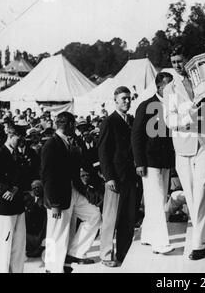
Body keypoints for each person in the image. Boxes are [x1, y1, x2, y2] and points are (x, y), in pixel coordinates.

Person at [163, 44, 205, 260]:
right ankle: (203, 235)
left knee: (204, 191)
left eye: (180, 60)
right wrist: (190, 117)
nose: (177, 66)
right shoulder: (169, 89)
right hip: (184, 147)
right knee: (192, 195)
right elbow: (169, 120)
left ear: (188, 59)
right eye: (174, 61)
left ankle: (198, 243)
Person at [41, 112, 101, 273]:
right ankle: (52, 268)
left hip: (73, 191)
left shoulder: (70, 142)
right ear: (68, 125)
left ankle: (75, 253)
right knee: (56, 233)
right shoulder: (51, 145)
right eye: (73, 124)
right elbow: (47, 176)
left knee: (94, 216)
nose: (75, 128)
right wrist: (54, 203)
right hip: (58, 196)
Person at [131, 72, 175, 255]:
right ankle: (160, 243)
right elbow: (136, 135)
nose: (173, 90)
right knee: (157, 202)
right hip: (149, 162)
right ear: (159, 87)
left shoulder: (172, 105)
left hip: (164, 162)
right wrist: (139, 162)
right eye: (169, 87)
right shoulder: (145, 106)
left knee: (156, 200)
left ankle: (148, 235)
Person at [98, 86, 138, 267]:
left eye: (129, 99)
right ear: (115, 100)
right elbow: (103, 151)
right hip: (115, 178)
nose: (127, 102)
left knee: (128, 218)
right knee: (110, 218)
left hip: (130, 177)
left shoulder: (131, 120)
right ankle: (106, 255)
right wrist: (109, 177)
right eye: (123, 99)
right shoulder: (109, 121)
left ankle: (123, 253)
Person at [0, 124, 26, 273]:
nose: (22, 141)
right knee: (4, 244)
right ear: (11, 136)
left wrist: (15, 188)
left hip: (18, 205)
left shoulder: (18, 155)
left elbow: (24, 176)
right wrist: (6, 190)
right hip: (4, 206)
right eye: (19, 138)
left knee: (19, 245)